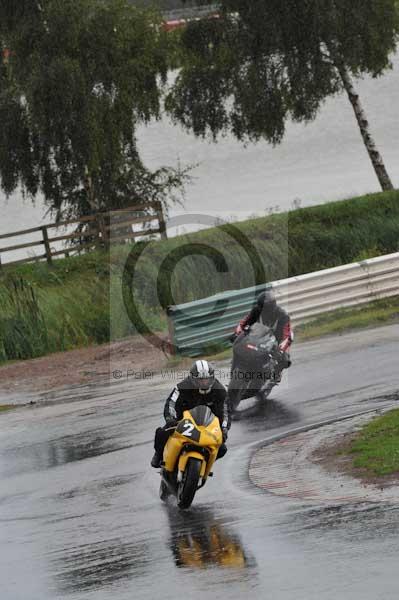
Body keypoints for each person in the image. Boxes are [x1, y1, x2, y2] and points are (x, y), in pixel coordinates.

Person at [151, 360, 230, 468]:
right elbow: (171, 403)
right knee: (162, 433)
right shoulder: (181, 387)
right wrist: (170, 419)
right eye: (201, 380)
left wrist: (224, 428)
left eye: (207, 379)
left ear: (212, 377)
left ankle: (204, 464)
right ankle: (159, 454)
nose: (204, 382)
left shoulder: (220, 390)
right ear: (193, 378)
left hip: (207, 425)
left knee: (222, 449)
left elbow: (225, 412)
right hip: (182, 422)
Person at [233, 289, 293, 382]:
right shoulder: (256, 310)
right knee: (240, 345)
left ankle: (277, 373)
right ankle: (235, 372)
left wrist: (281, 350)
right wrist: (237, 333)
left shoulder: (282, 315)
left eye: (264, 308)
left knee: (284, 359)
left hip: (279, 337)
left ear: (271, 306)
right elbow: (244, 323)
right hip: (259, 335)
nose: (262, 310)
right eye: (260, 307)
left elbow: (286, 336)